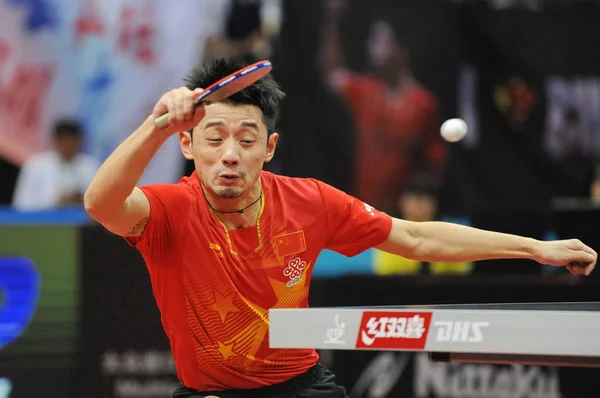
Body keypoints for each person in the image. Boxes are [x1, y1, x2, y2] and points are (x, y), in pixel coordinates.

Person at [84, 57, 596, 398]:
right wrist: (156, 127)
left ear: (271, 148)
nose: (230, 155)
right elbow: (102, 202)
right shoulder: (169, 211)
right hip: (208, 393)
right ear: (188, 146)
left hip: (301, 385)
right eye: (213, 137)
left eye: (246, 138)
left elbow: (417, 237)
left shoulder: (311, 201)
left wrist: (535, 248)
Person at [321, 0, 447, 214]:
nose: (372, 48)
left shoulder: (424, 105)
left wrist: (417, 195)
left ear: (400, 48)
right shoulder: (365, 92)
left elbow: (434, 163)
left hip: (402, 218)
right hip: (362, 211)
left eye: (380, 41)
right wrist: (333, 19)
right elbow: (332, 74)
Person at [12, 119, 99, 211]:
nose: (68, 146)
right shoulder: (36, 165)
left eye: (72, 141)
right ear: (56, 141)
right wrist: (56, 201)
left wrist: (80, 199)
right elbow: (21, 204)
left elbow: (99, 202)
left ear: (79, 141)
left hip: (81, 221)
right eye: (64, 141)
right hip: (42, 221)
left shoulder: (90, 165)